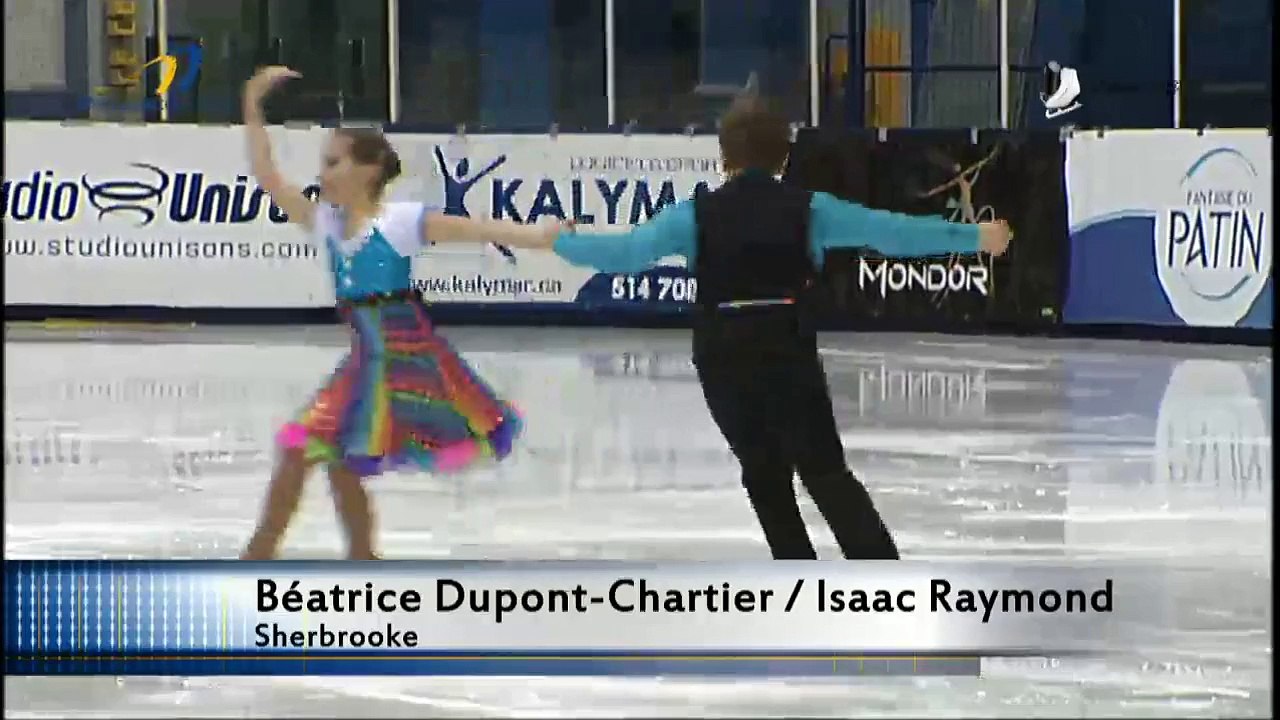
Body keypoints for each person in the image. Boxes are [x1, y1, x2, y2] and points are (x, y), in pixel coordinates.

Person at [552, 93, 1012, 560]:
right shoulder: (809, 209)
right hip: (784, 347)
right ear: (785, 155)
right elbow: (891, 232)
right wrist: (975, 236)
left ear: (724, 153)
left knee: (763, 471)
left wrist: (565, 242)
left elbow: (625, 254)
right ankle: (883, 582)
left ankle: (797, 579)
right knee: (824, 470)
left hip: (721, 354)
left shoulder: (694, 214)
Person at [238, 67, 561, 560]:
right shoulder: (324, 221)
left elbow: (475, 228)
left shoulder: (400, 221)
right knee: (335, 458)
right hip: (367, 359)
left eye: (333, 162)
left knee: (311, 450)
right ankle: (357, 561)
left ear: (367, 170)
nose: (322, 174)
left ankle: (265, 558)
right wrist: (253, 105)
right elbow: (268, 178)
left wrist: (539, 237)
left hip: (405, 358)